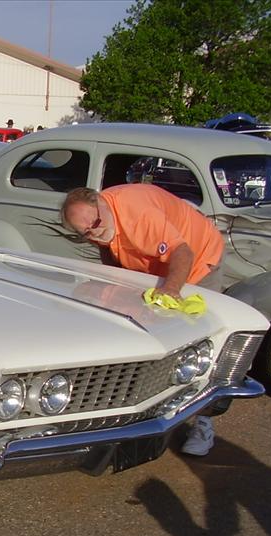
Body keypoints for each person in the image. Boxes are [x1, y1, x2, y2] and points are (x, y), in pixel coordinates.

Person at [60, 183, 225, 456]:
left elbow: (182, 252)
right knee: (141, 338)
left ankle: (203, 422)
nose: (94, 233)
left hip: (197, 260)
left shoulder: (136, 215)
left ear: (101, 203)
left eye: (96, 224)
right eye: (85, 232)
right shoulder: (99, 224)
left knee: (201, 343)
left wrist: (171, 291)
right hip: (152, 271)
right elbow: (109, 252)